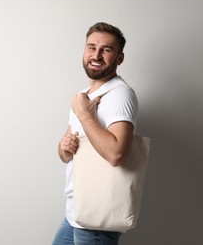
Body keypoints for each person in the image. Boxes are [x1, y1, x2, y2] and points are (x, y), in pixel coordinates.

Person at [52, 22, 138, 245]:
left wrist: (83, 114)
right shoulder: (82, 96)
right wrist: (64, 148)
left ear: (119, 58)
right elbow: (66, 155)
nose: (96, 54)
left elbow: (116, 154)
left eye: (106, 50)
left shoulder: (120, 95)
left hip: (97, 216)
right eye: (91, 47)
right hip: (76, 211)